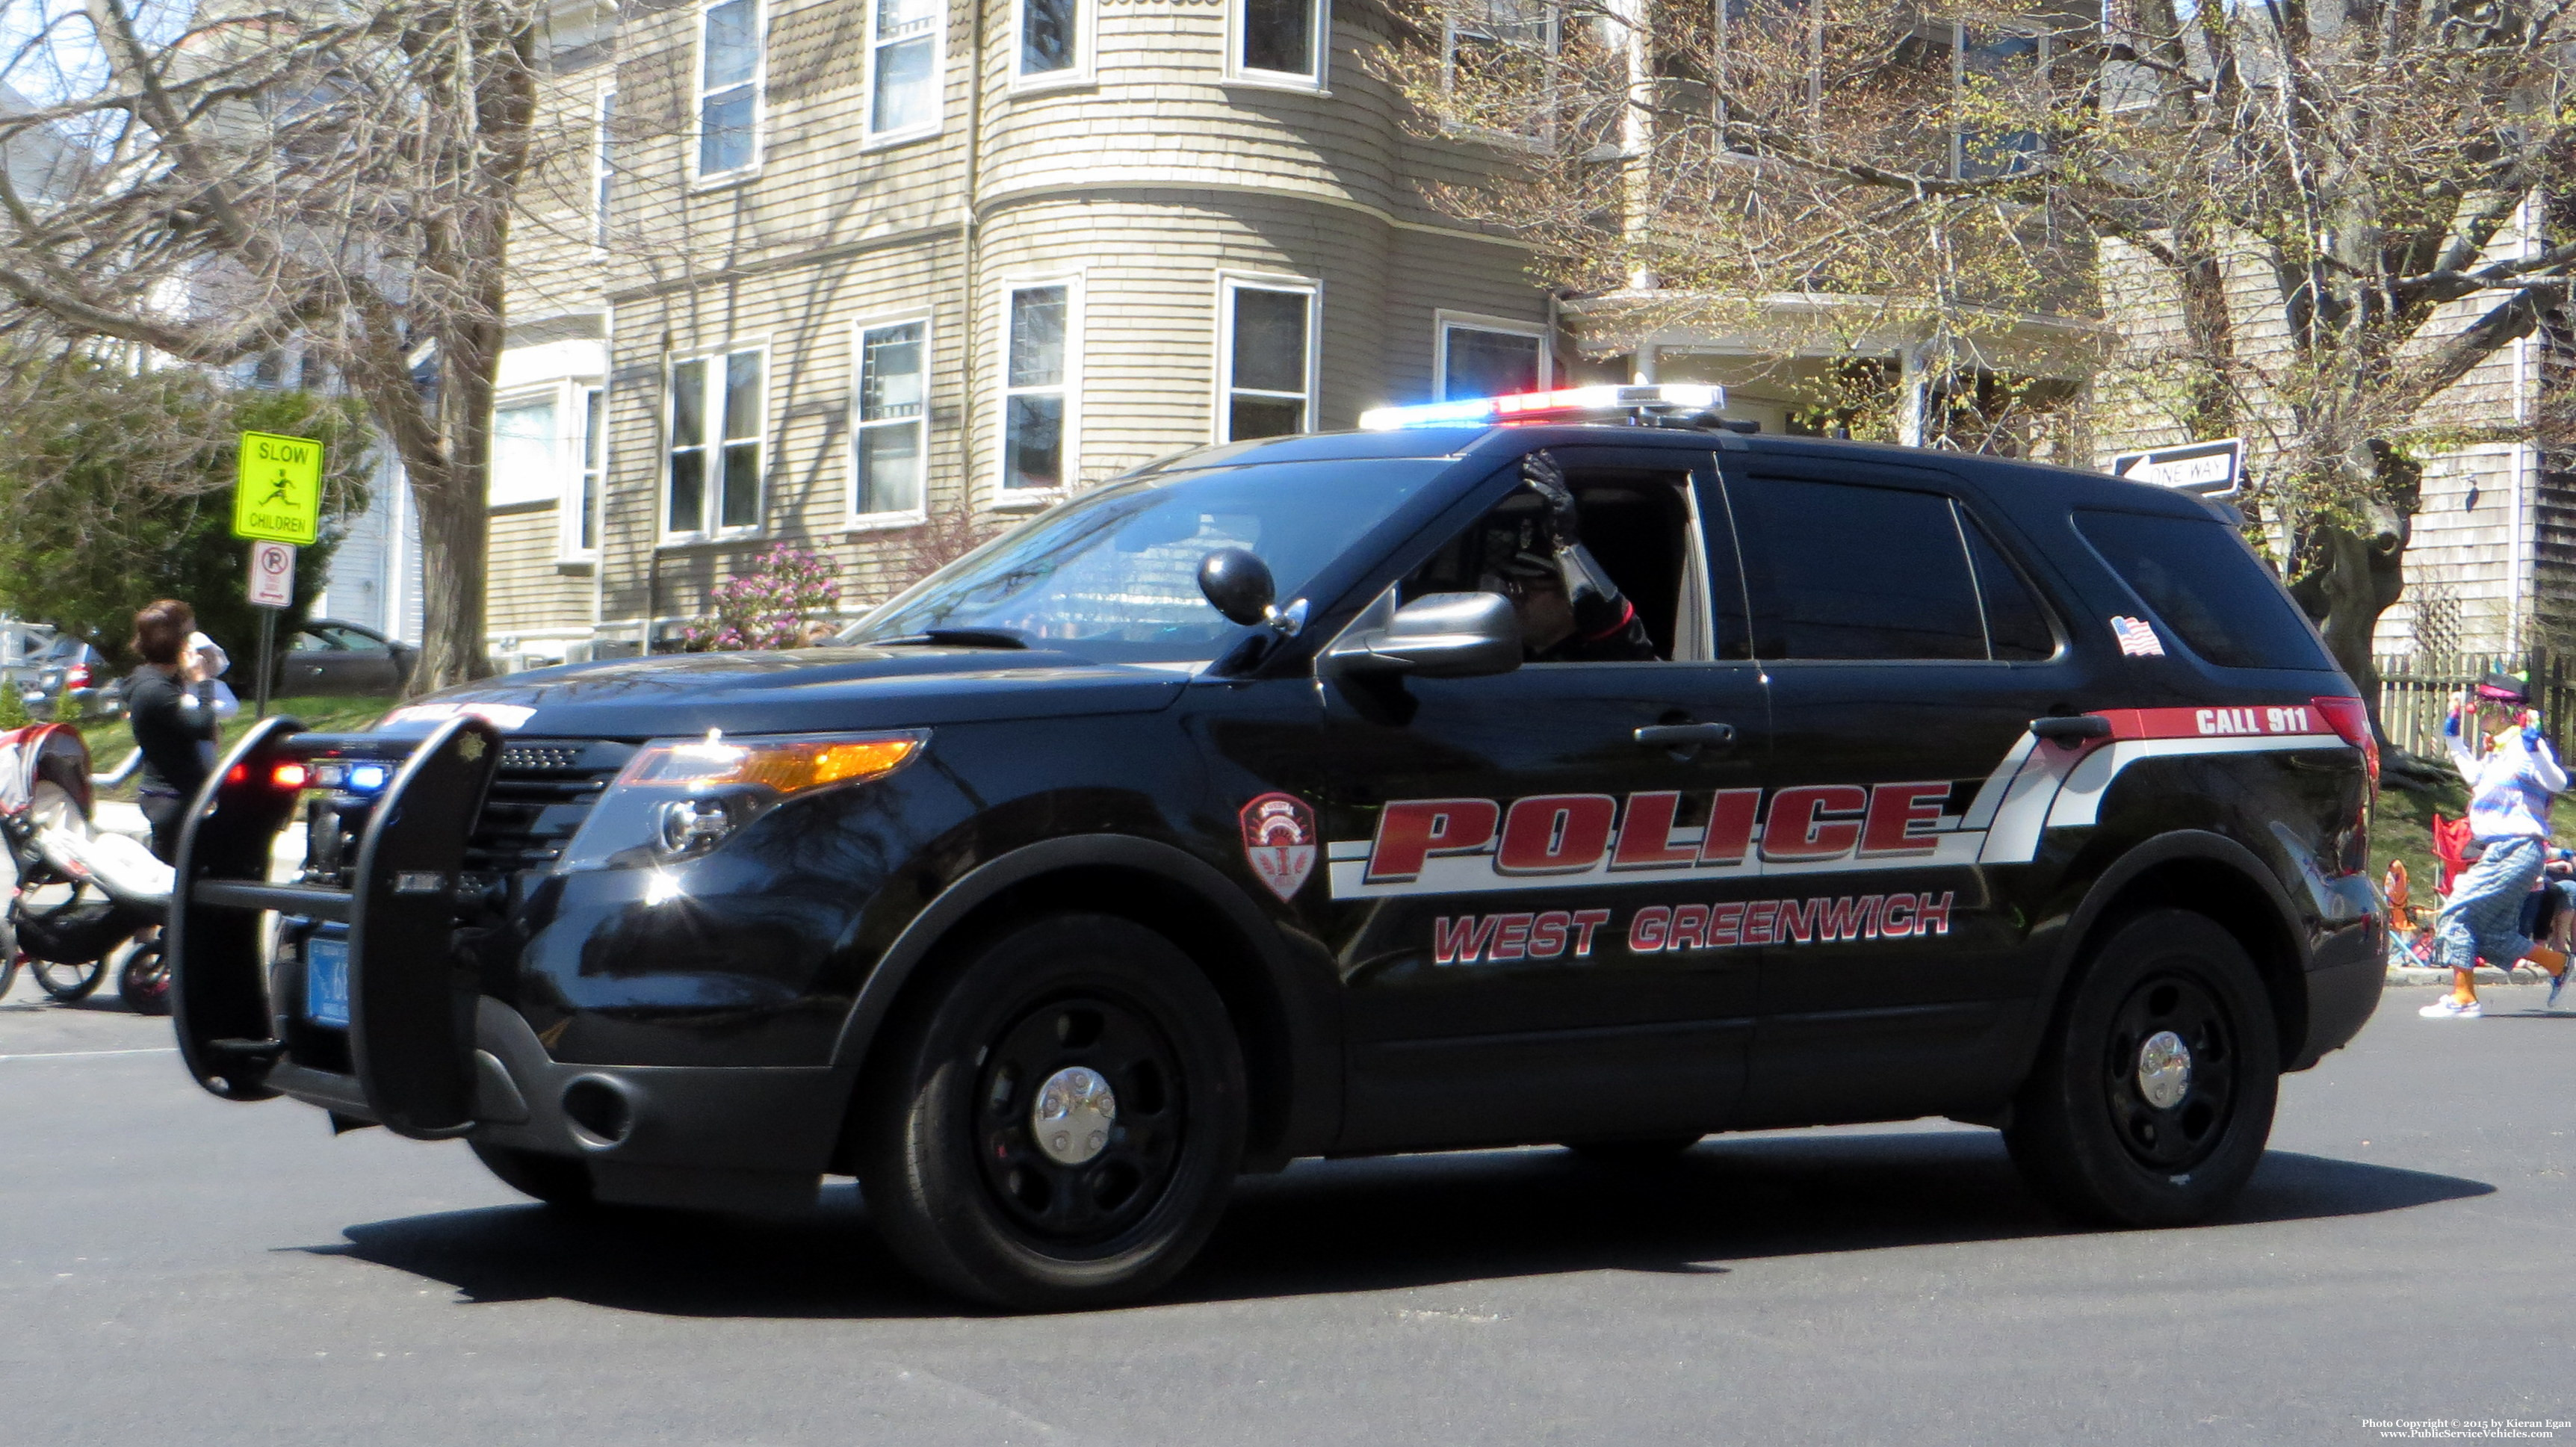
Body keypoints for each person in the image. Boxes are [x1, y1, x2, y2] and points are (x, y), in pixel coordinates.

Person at [2424, 670, 2576, 1017]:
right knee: (2492, 932)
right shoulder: (2498, 752)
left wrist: (2534, 746)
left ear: (2503, 709)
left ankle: (2463, 998)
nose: (2478, 713)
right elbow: (2476, 777)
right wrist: (2454, 740)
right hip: (2500, 849)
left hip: (2518, 847)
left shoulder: (2526, 746)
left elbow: (2557, 781)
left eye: (2483, 706)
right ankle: (2556, 963)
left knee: (2456, 911)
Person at [1480, 451, 1658, 662]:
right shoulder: (1505, 660)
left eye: (1525, 590)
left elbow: (1616, 630)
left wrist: (1565, 545)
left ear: (1571, 602)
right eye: (1512, 586)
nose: (1513, 600)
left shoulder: (1601, 665)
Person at [126, 600, 220, 863]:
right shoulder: (154, 689)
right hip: (170, 798)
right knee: (173, 886)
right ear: (177, 642)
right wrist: (203, 682)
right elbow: (202, 725)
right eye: (189, 633)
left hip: (176, 794)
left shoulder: (158, 680)